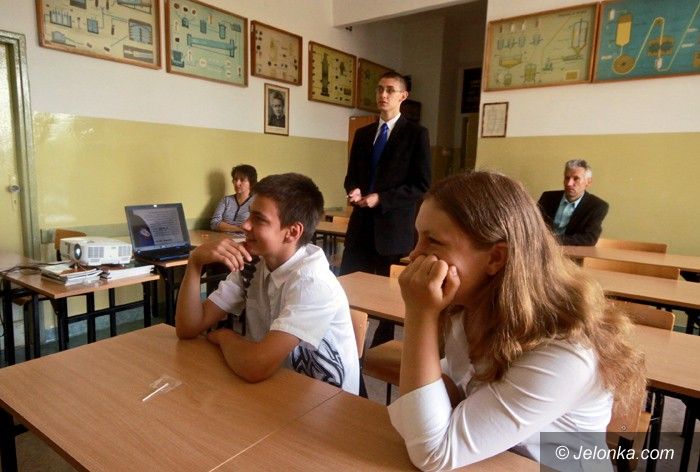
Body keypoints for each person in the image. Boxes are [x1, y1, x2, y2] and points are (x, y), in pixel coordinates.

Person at [388, 171, 645, 471]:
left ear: (496, 258)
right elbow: (454, 390)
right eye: (418, 237)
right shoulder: (466, 308)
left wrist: (420, 315)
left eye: (433, 241)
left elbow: (433, 454)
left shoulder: (565, 352)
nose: (414, 254)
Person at [176, 173, 360, 394]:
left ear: (292, 232)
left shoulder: (313, 283)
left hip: (327, 403)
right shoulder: (254, 262)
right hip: (276, 387)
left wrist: (225, 335)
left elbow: (255, 366)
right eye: (249, 215)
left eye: (259, 219)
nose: (245, 225)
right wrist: (195, 263)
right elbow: (188, 327)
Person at [340, 71, 431, 348]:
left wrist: (381, 198)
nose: (383, 94)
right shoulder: (363, 134)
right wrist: (354, 190)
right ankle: (345, 341)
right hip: (361, 225)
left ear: (403, 96)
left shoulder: (416, 134)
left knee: (390, 295)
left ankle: (382, 343)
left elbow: (421, 185)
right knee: (348, 286)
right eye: (380, 89)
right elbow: (351, 176)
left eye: (390, 90)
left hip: (393, 227)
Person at [538, 159, 609, 246]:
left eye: (576, 178)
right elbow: (533, 225)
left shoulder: (597, 206)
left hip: (572, 251)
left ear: (588, 182)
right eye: (567, 178)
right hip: (541, 248)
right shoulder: (548, 197)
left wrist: (553, 240)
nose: (569, 183)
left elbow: (589, 238)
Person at [210, 164, 257, 233]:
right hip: (223, 237)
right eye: (235, 179)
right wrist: (239, 229)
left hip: (245, 239)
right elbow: (214, 224)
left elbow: (254, 228)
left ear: (251, 183)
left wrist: (223, 225)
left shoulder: (256, 202)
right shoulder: (226, 200)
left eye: (242, 180)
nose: (237, 183)